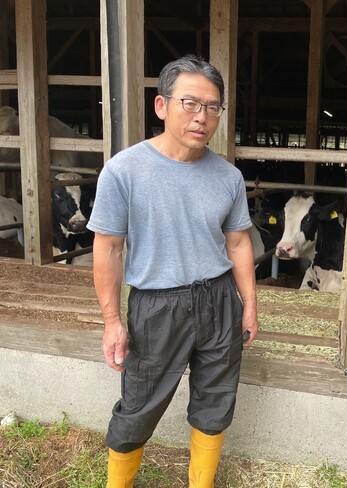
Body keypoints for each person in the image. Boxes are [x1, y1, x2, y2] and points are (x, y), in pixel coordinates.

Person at [87, 54, 259, 488]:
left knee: (216, 401)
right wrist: (112, 321)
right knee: (139, 405)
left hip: (219, 299)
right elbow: (108, 248)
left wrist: (249, 305)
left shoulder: (228, 177)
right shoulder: (124, 171)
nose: (202, 116)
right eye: (190, 103)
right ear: (161, 106)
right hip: (157, 306)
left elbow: (238, 243)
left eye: (213, 107)